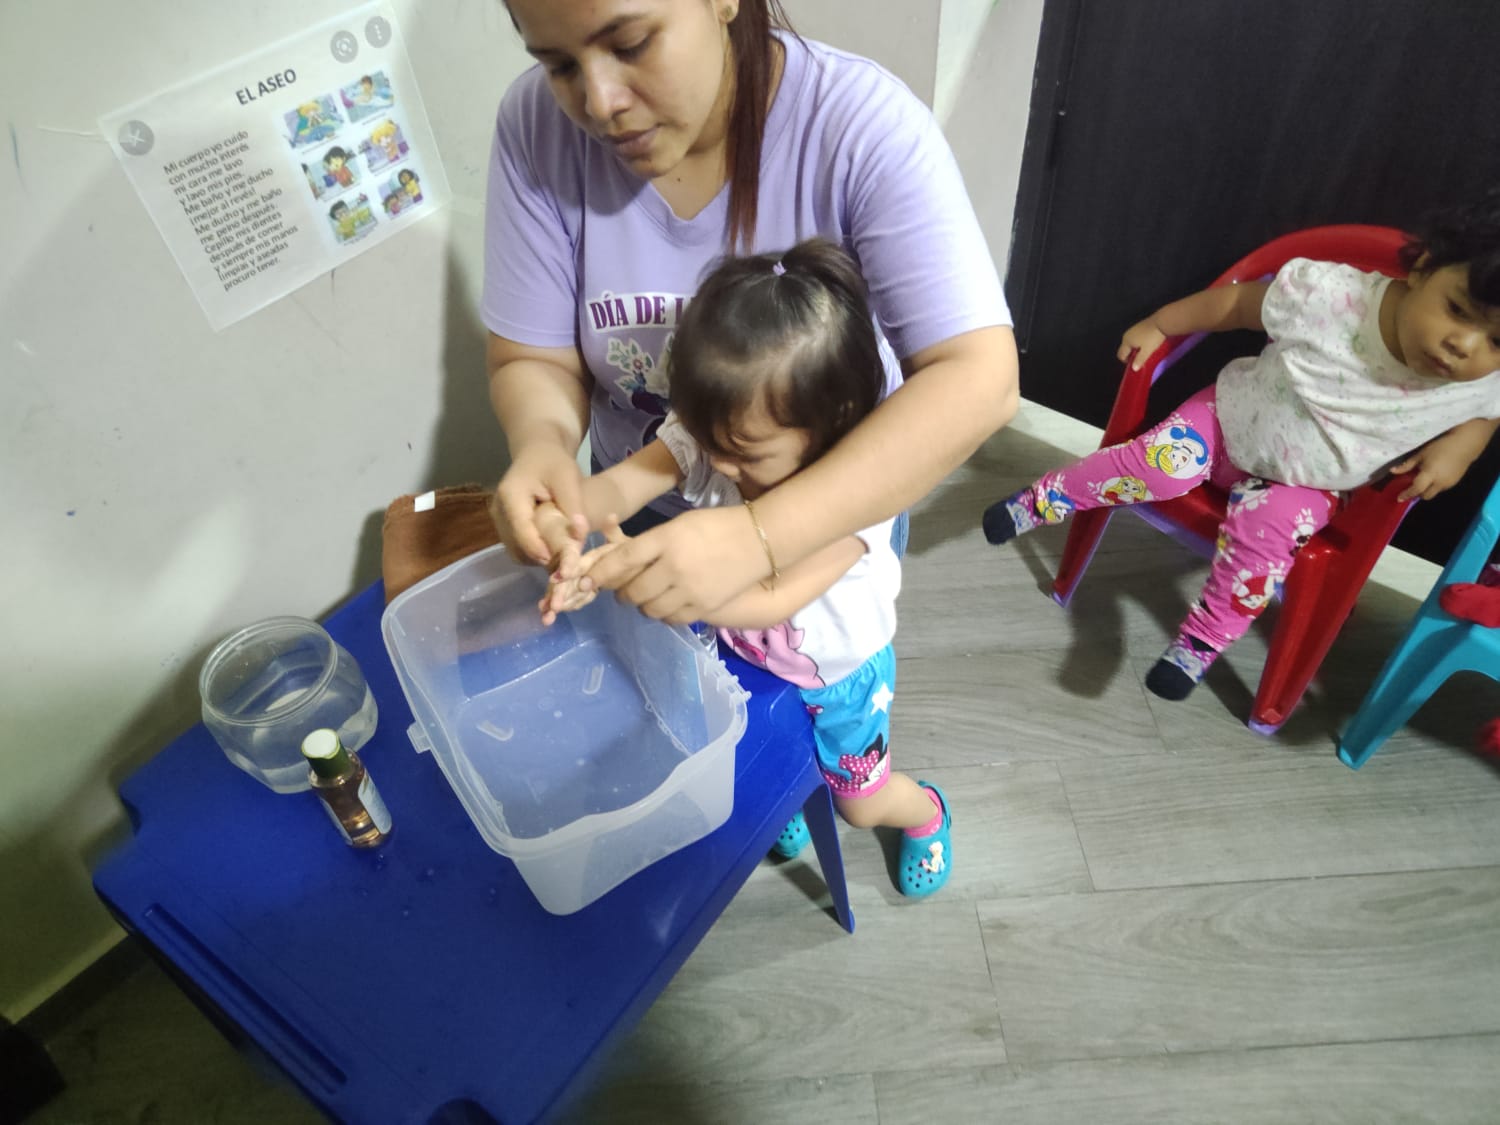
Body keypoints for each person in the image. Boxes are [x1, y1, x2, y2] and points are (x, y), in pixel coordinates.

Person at [482, 0, 1018, 629]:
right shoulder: (534, 126)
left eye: (630, 45)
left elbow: (979, 379)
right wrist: (544, 449)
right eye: (559, 66)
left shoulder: (862, 127)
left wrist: (760, 536)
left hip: (825, 514)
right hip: (642, 505)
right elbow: (533, 357)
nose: (600, 103)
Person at [535, 240, 954, 895]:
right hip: (747, 653)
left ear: (833, 423)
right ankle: (794, 794)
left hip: (841, 678)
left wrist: (639, 577)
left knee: (860, 803)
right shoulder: (718, 434)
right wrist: (567, 521)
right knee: (758, 754)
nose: (719, 464)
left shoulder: (857, 502)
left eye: (745, 452)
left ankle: (924, 811)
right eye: (708, 441)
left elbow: (772, 597)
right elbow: (618, 486)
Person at [982, 191, 1500, 701]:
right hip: (1226, 422)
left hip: (1307, 484)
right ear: (1423, 269)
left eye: (1497, 341)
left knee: (1264, 545)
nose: (1465, 346)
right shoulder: (1331, 296)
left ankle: (1199, 644)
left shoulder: (1481, 381)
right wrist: (1162, 324)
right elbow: (1237, 304)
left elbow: (1486, 410)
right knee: (1155, 466)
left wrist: (1463, 446)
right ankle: (1043, 499)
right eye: (1458, 310)